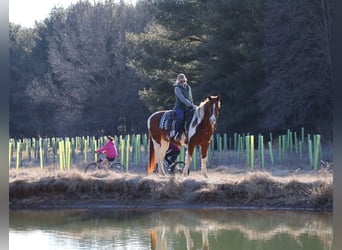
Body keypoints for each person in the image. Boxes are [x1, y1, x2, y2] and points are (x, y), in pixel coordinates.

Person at [173, 73, 197, 141]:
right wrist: (192, 105)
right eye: (181, 81)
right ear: (178, 81)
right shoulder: (177, 88)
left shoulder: (188, 87)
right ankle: (176, 133)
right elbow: (183, 99)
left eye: (184, 81)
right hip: (180, 107)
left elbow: (190, 98)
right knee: (181, 118)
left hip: (189, 106)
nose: (183, 83)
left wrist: (192, 104)